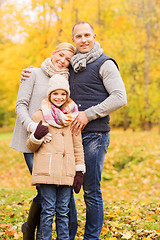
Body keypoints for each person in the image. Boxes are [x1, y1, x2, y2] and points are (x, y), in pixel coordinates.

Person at [20, 21, 127, 239]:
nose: (84, 40)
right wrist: (29, 72)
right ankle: (64, 234)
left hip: (94, 135)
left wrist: (88, 114)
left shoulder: (105, 64)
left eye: (87, 35)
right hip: (66, 137)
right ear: (73, 40)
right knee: (62, 190)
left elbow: (119, 97)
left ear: (95, 36)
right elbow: (53, 70)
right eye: (78, 36)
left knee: (90, 190)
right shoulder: (74, 65)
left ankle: (91, 237)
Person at [9, 43, 79, 240]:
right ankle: (34, 230)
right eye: (60, 55)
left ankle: (48, 232)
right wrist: (32, 127)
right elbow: (20, 104)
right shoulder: (33, 74)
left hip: (57, 146)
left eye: (67, 60)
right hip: (31, 141)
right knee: (45, 189)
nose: (62, 61)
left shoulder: (68, 80)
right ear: (53, 53)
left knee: (59, 194)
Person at [26, 74, 85, 240]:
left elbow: (78, 146)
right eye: (55, 94)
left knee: (63, 211)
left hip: (67, 172)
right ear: (49, 95)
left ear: (67, 96)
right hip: (47, 172)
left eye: (63, 94)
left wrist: (79, 171)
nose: (59, 97)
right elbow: (30, 146)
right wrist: (36, 136)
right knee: (48, 209)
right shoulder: (39, 116)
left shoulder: (73, 117)